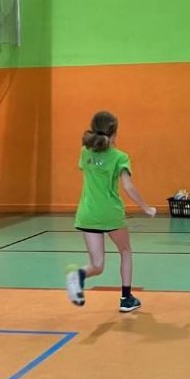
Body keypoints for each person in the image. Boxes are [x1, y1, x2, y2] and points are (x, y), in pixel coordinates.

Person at [66, 110, 156, 313]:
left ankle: (78, 275)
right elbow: (128, 187)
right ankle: (126, 299)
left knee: (97, 265)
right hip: (110, 213)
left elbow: (90, 167)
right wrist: (146, 208)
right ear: (114, 133)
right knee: (125, 251)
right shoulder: (120, 157)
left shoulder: (85, 152)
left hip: (87, 214)